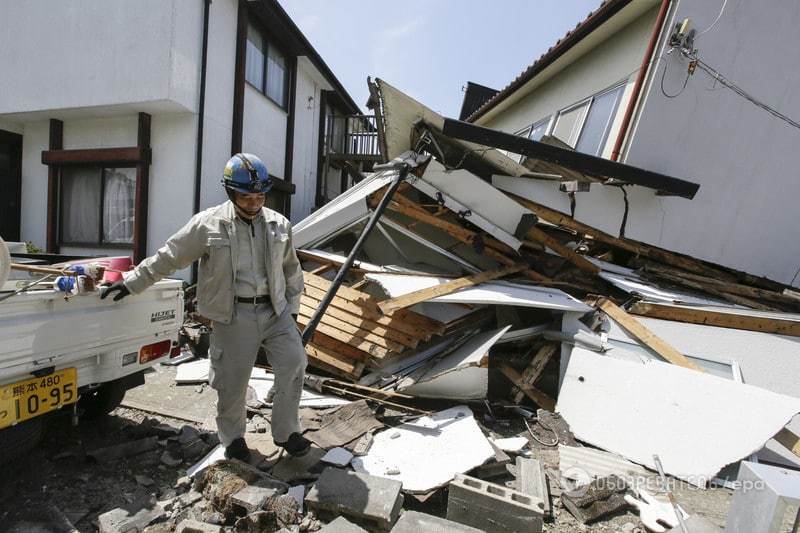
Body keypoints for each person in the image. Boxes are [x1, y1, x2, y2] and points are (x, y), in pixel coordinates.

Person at [101, 153, 310, 460]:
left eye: (259, 197)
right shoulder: (208, 224)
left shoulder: (279, 225)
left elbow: (292, 269)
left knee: (294, 364)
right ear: (230, 192)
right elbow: (170, 255)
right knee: (232, 381)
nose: (254, 203)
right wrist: (132, 282)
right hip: (233, 314)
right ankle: (233, 438)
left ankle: (286, 432)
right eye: (246, 197)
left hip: (275, 311)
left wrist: (292, 309)